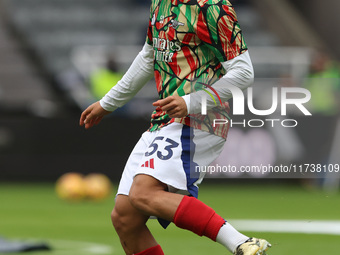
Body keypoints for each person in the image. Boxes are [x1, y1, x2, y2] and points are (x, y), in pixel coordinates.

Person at [80, 0, 271, 254]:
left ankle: (240, 242)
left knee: (142, 194)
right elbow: (149, 56)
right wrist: (108, 102)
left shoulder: (213, 7)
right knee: (125, 217)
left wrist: (191, 102)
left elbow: (244, 73)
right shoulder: (160, 3)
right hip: (165, 118)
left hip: (201, 117)